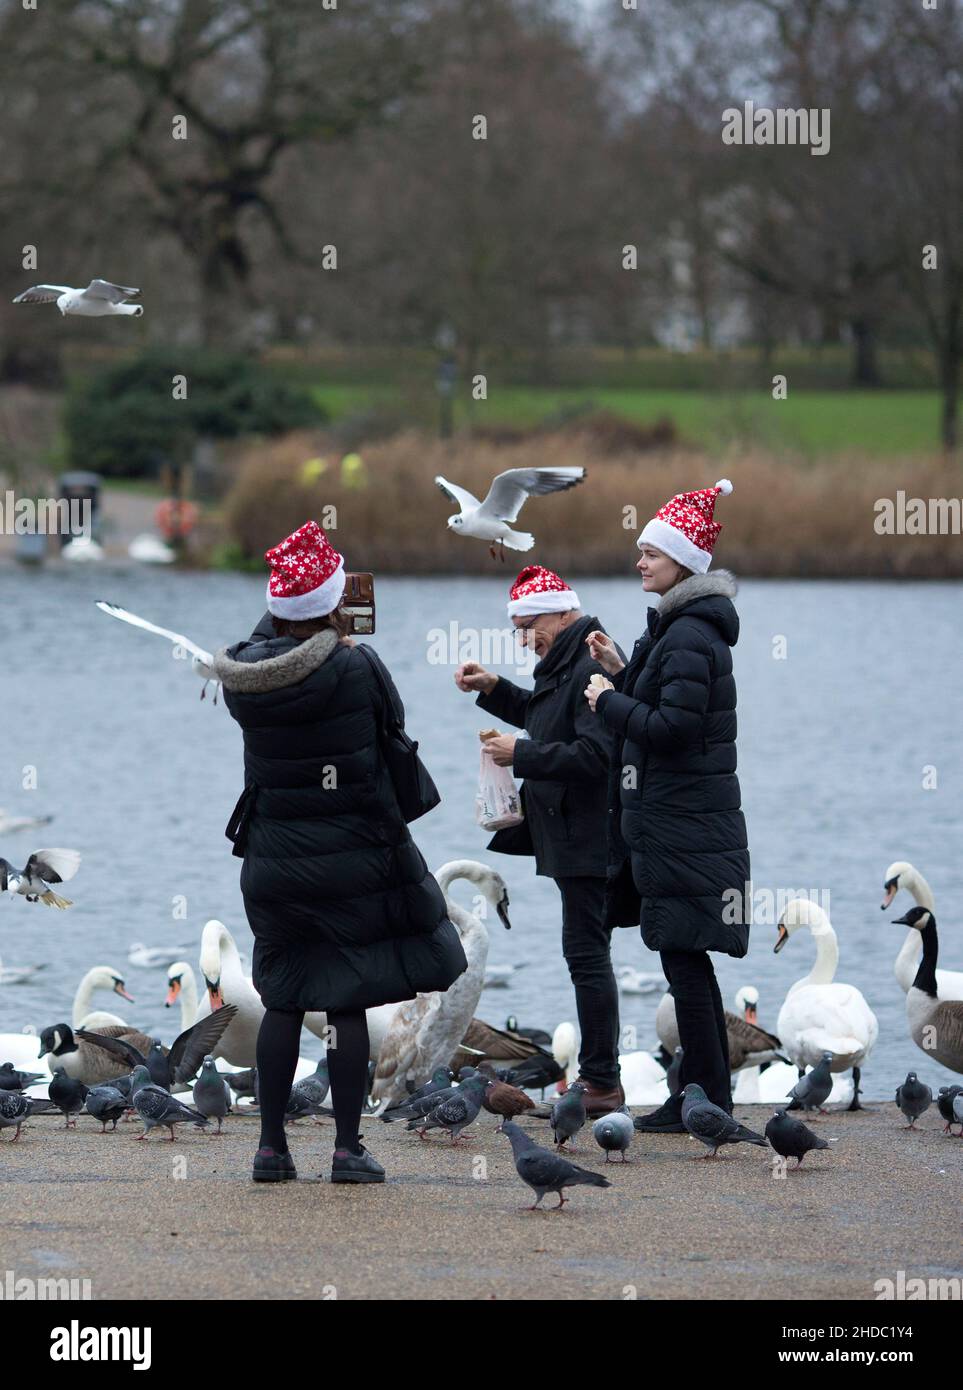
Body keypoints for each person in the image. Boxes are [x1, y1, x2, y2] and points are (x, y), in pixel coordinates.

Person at [213, 520, 466, 1183]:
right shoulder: (355, 666)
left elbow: (267, 643)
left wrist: (298, 612)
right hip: (351, 857)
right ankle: (346, 1151)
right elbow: (394, 730)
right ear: (331, 602)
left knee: (285, 996)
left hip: (272, 856)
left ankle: (270, 1150)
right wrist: (337, 634)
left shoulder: (245, 679)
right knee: (347, 1000)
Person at [584, 480, 749, 1133]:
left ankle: (702, 1098)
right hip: (682, 823)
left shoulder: (687, 637)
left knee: (683, 958)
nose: (639, 562)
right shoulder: (681, 630)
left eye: (650, 552)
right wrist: (623, 670)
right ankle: (703, 1096)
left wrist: (607, 701)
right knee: (684, 957)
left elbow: (673, 729)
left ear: (682, 562)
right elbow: (667, 712)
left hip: (684, 826)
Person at [454, 564, 624, 1114]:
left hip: (589, 836)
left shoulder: (591, 659)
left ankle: (600, 1082)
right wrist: (495, 689)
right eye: (518, 630)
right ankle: (601, 1079)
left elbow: (596, 756)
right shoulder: (564, 658)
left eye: (530, 626)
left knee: (587, 954)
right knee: (584, 952)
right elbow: (545, 714)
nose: (525, 639)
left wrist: (519, 754)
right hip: (570, 834)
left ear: (562, 611)